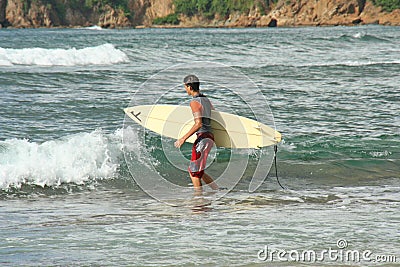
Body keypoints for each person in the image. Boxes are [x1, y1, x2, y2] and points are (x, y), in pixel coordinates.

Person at [174, 75, 219, 191]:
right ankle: (217, 190)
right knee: (199, 170)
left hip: (202, 138)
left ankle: (199, 199)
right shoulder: (206, 100)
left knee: (193, 172)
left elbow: (198, 123)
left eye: (185, 87)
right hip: (209, 137)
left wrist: (183, 138)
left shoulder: (194, 102)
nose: (185, 89)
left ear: (189, 86)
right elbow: (213, 115)